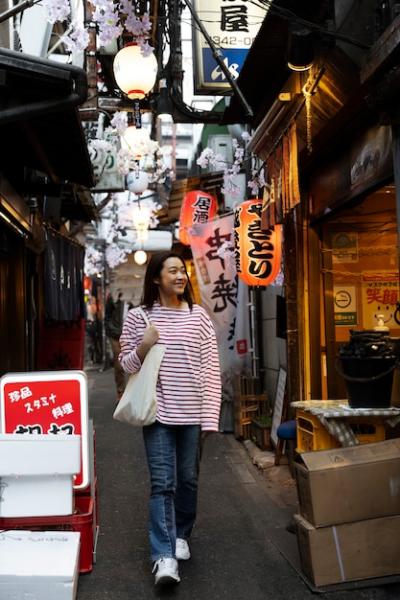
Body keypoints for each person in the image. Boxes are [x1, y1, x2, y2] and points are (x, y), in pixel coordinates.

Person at [119, 251, 221, 587]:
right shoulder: (139, 318)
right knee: (163, 483)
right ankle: (164, 556)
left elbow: (209, 370)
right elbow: (127, 366)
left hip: (192, 413)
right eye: (173, 270)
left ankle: (181, 532)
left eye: (183, 271)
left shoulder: (198, 317)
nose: (181, 276)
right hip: (157, 413)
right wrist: (145, 345)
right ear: (156, 278)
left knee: (188, 480)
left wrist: (209, 418)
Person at [105, 291, 132, 402]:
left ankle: (132, 393)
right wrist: (110, 329)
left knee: (134, 363)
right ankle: (120, 392)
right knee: (119, 365)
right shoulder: (114, 295)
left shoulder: (136, 293)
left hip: (131, 333)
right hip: (115, 334)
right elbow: (107, 315)